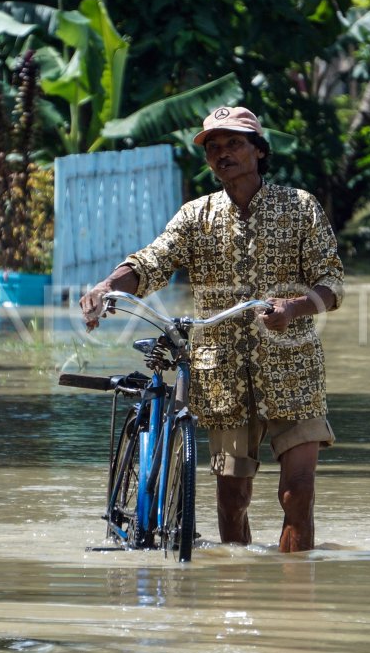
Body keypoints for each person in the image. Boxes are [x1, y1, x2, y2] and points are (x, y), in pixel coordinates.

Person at [78, 106, 345, 553]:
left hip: (294, 370)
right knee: (232, 501)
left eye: (234, 143)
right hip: (221, 377)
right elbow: (151, 262)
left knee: (296, 492)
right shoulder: (194, 216)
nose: (223, 154)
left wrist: (296, 307)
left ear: (259, 151)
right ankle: (237, 599)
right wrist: (108, 286)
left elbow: (332, 283)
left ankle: (297, 603)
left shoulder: (299, 207)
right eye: (213, 148)